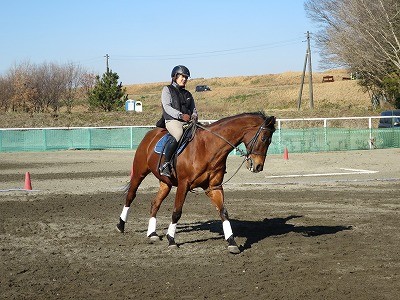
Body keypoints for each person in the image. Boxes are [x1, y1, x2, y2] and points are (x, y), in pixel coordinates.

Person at [158, 65, 198, 177]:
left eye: (186, 77)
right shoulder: (167, 89)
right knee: (178, 133)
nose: (184, 79)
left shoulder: (188, 94)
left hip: (187, 121)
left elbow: (194, 109)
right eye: (182, 76)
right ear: (175, 76)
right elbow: (167, 106)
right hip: (172, 121)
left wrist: (194, 116)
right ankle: (165, 164)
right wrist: (180, 115)